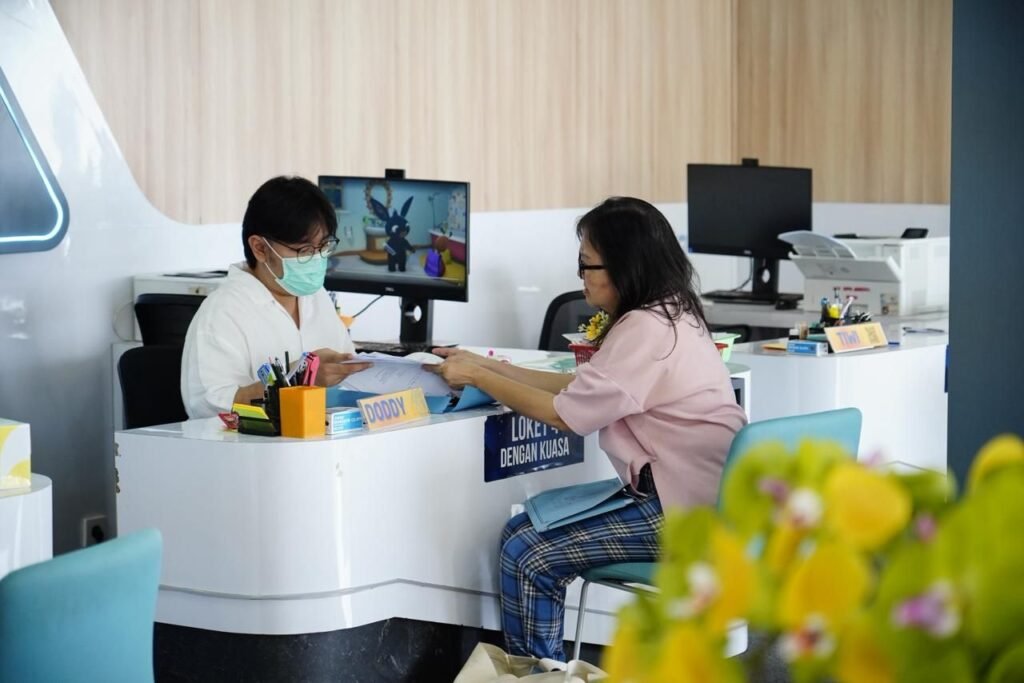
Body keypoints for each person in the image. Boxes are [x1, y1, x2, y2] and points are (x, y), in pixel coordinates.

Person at [429, 196, 747, 660]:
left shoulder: (646, 329)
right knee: (526, 531)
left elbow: (566, 414)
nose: (580, 276)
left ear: (623, 266)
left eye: (586, 264)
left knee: (526, 550)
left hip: (685, 511)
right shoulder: (672, 312)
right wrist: (488, 365)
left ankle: (539, 675)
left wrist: (479, 377)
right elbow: (582, 386)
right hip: (705, 498)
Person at [181, 176, 372, 418]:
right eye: (304, 250)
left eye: (324, 247)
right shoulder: (222, 312)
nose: (316, 259)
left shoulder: (316, 297)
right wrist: (298, 378)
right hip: (252, 442)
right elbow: (209, 407)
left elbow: (348, 374)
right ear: (260, 248)